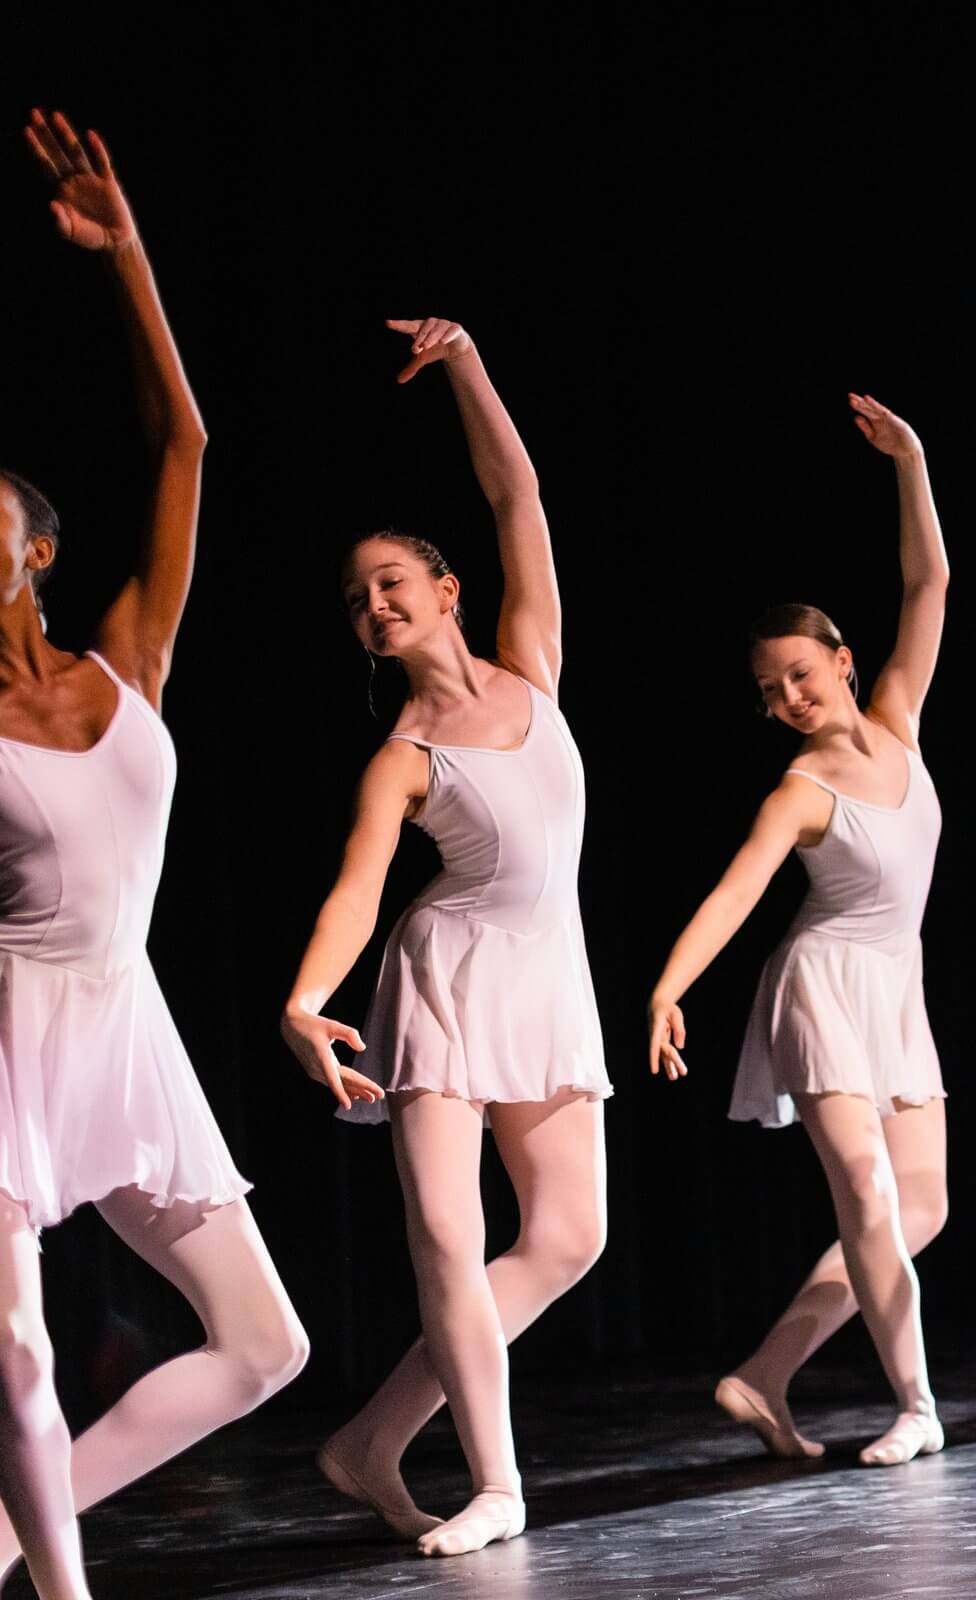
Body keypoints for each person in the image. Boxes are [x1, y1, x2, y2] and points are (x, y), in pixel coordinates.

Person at [0, 110, 307, 1600]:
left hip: (127, 1025)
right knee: (15, 1341)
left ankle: (7, 1531)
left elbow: (183, 441)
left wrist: (127, 259)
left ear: (36, 548)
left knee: (267, 1345)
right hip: (13, 1025)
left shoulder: (125, 661)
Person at [282, 316, 608, 1554]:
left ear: (445, 589)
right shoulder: (400, 759)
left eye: (391, 584)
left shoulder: (532, 664)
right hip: (446, 980)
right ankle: (498, 1483)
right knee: (447, 1237)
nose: (372, 606)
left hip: (546, 977)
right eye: (357, 600)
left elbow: (514, 491)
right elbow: (358, 892)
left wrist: (467, 365)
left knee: (571, 1238)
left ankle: (369, 1440)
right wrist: (309, 998)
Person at [648, 394, 951, 1467]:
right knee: (867, 1192)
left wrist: (909, 462)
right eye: (771, 690)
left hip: (894, 990)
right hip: (823, 986)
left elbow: (930, 582)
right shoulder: (799, 786)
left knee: (920, 1204)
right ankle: (916, 1401)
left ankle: (769, 1371)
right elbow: (736, 894)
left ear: (843, 661)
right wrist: (667, 986)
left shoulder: (902, 722)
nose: (787, 696)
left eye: (802, 676)